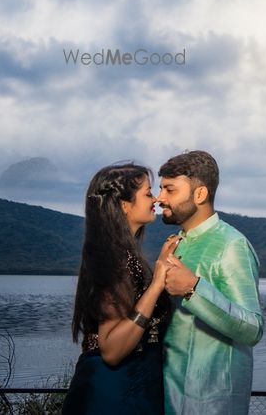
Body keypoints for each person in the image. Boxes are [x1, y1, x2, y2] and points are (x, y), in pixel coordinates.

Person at [63, 163, 181, 414]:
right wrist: (157, 283)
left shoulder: (122, 255)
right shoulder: (115, 259)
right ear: (123, 205)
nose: (157, 199)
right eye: (149, 193)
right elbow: (112, 350)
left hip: (132, 386)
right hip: (114, 392)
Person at [156, 150, 263, 415]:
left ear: (200, 194)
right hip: (165, 398)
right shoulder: (175, 244)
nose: (160, 199)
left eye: (169, 190)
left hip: (211, 405)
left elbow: (253, 329)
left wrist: (193, 289)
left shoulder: (232, 245)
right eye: (160, 190)